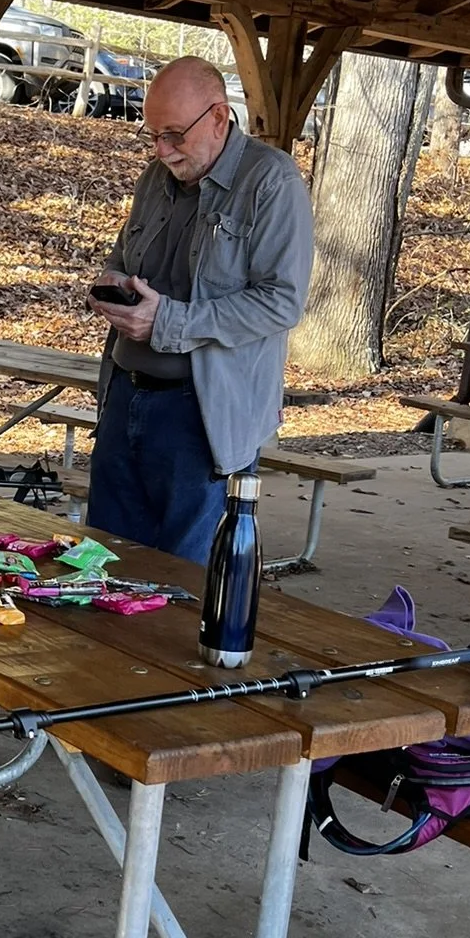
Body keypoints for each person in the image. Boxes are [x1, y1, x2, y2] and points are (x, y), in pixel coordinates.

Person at [87, 56, 313, 562]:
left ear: (218, 116)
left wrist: (167, 320)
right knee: (103, 564)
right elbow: (122, 257)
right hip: (126, 395)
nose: (161, 151)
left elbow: (281, 302)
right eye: (152, 135)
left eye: (173, 135)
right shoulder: (154, 177)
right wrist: (114, 286)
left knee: (182, 583)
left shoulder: (271, 182)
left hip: (204, 412)